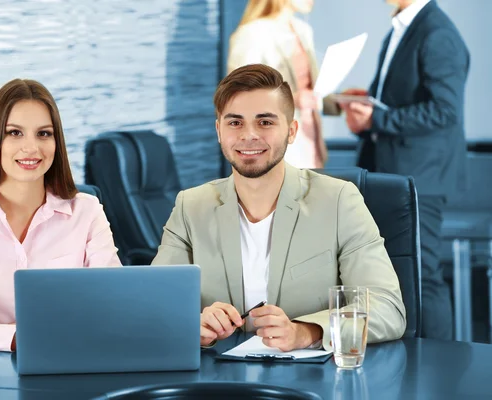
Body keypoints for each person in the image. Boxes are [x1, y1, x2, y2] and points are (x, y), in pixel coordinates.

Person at [152, 64, 406, 350]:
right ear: (219, 131)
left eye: (265, 122)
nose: (249, 135)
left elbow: (387, 309)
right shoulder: (191, 207)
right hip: (217, 379)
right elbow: (155, 308)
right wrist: (190, 324)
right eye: (235, 123)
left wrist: (306, 331)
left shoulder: (339, 201)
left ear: (291, 131)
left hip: (312, 381)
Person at [0, 79, 121, 352]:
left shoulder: (87, 211)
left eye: (43, 134)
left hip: (67, 367)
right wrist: (20, 339)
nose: (31, 148)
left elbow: (114, 306)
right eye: (15, 133)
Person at [342, 0, 469, 340]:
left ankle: (439, 365)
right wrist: (369, 101)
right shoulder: (401, 28)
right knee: (404, 273)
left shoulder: (437, 32)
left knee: (423, 276)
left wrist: (376, 118)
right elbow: (405, 99)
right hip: (396, 174)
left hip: (421, 179)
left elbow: (445, 111)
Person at [228, 0, 340, 169]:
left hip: (310, 143)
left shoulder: (302, 30)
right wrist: (292, 99)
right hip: (276, 148)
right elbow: (238, 97)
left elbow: (310, 91)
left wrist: (342, 101)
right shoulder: (251, 34)